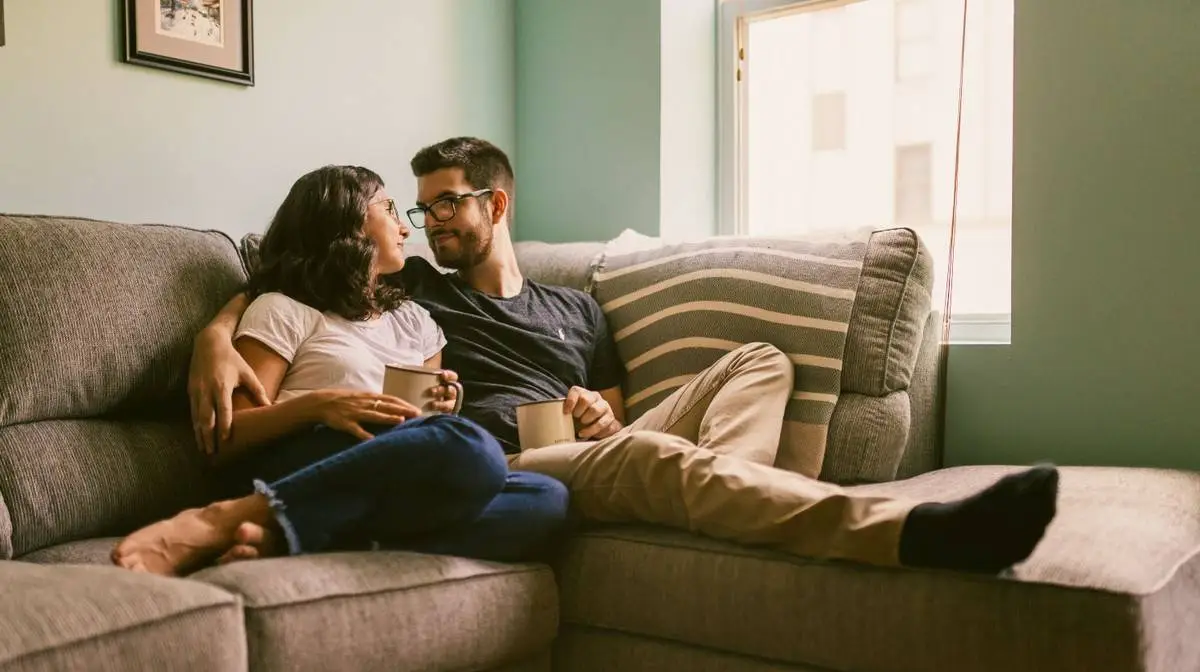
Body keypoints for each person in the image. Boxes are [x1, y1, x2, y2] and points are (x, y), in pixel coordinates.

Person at [188, 139, 1058, 575]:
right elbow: (295, 276)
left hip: (592, 439)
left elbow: (615, 406)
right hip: (509, 452)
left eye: (448, 204)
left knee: (758, 361)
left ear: (498, 201)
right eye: (418, 210)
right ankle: (903, 534)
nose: (431, 223)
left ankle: (716, 500)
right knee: (644, 458)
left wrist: (608, 414)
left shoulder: (580, 306)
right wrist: (216, 329)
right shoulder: (417, 290)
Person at [112, 165, 568, 576]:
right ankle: (227, 516)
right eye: (389, 208)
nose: (407, 228)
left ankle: (299, 535)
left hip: (391, 465)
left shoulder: (417, 320)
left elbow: (424, 423)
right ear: (349, 220)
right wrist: (318, 406)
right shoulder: (284, 309)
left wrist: (443, 403)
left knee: (548, 499)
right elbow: (224, 440)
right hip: (311, 454)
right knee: (471, 448)